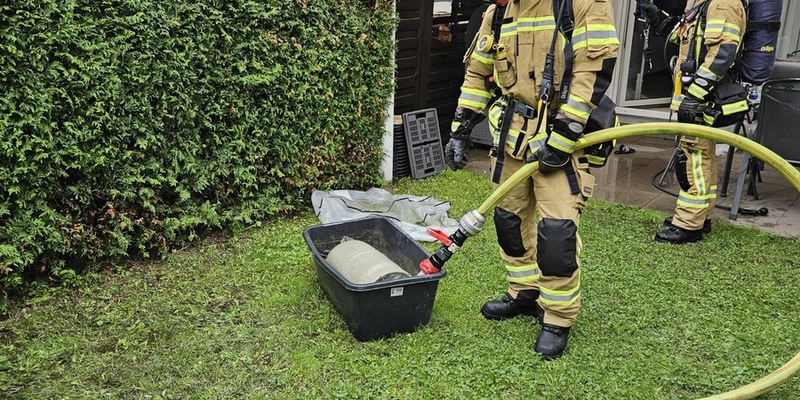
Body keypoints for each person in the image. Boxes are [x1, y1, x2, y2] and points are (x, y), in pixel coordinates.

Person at [444, 0, 618, 359]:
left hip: (561, 139)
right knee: (509, 220)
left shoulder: (581, 4)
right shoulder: (497, 14)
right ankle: (523, 292)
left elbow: (593, 71)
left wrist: (568, 130)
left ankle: (557, 317)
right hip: (512, 138)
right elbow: (478, 72)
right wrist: (461, 126)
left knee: (557, 233)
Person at [644, 0, 746, 244]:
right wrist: (657, 17)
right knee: (701, 156)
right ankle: (702, 216)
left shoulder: (723, 3)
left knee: (694, 160)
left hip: (701, 100)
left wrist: (695, 95)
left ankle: (689, 224)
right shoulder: (703, 4)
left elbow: (723, 53)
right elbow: (686, 41)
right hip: (694, 98)